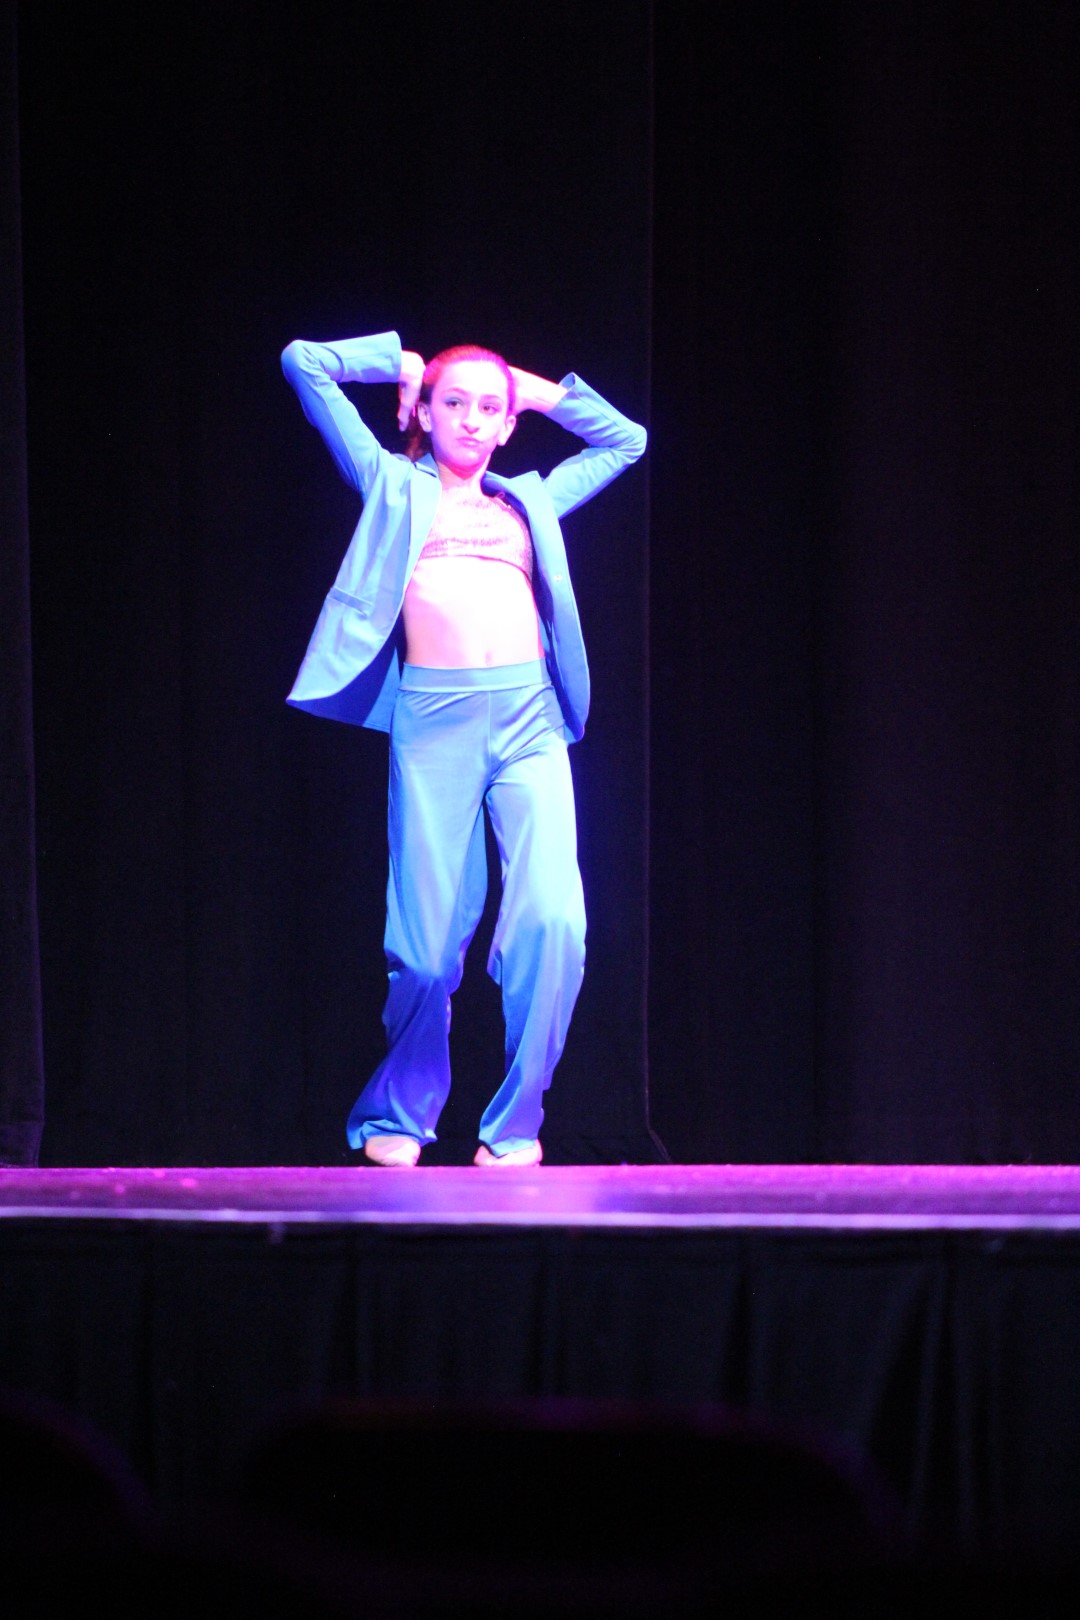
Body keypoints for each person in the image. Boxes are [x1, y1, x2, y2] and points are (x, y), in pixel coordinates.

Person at [281, 329, 646, 1166]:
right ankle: (398, 1114)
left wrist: (536, 390)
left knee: (555, 922)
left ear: (508, 424)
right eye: (456, 403)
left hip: (528, 720)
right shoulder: (389, 482)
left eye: (490, 408)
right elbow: (303, 362)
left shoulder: (529, 501)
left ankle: (515, 1122)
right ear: (425, 413)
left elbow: (627, 440)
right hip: (433, 722)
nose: (474, 420)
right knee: (422, 949)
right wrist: (397, 364)